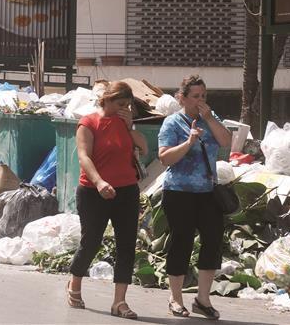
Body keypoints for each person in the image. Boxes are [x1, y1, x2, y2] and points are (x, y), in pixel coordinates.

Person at [67, 81, 148, 319]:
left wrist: (130, 125)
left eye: (128, 105)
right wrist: (99, 182)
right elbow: (84, 156)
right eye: (120, 104)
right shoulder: (89, 122)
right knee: (91, 241)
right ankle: (75, 283)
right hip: (94, 192)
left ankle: (119, 302)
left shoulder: (125, 123)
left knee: (126, 245)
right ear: (107, 100)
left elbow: (144, 148)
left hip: (126, 191)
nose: (124, 108)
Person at [158, 75, 232, 320]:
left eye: (204, 96)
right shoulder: (172, 123)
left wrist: (210, 118)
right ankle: (175, 298)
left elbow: (226, 141)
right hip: (179, 192)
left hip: (207, 192)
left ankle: (203, 299)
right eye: (195, 96)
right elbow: (165, 158)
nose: (200, 101)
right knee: (182, 241)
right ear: (182, 98)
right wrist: (189, 142)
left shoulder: (210, 119)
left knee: (212, 240)